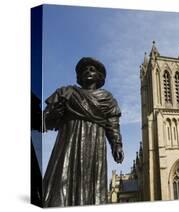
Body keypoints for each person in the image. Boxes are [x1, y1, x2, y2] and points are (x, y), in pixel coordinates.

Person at [42, 57, 124, 207]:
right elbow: (44, 121)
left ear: (99, 76)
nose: (87, 71)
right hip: (68, 144)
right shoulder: (66, 92)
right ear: (79, 76)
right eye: (84, 70)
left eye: (92, 69)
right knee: (61, 182)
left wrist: (116, 144)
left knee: (92, 184)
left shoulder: (107, 99)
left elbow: (113, 124)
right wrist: (54, 112)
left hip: (94, 147)